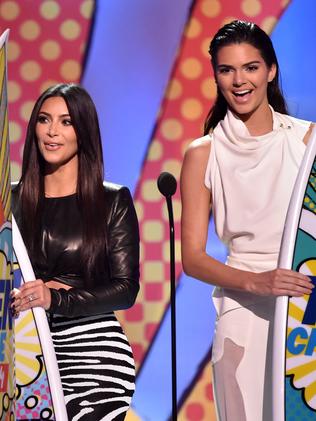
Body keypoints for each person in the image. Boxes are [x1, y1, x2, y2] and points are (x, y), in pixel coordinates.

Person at [180, 20, 314, 421]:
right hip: (242, 311)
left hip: (305, 306)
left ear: (270, 71)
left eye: (251, 68)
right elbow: (193, 258)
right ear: (216, 77)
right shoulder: (203, 153)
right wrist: (258, 282)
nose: (240, 81)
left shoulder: (307, 142)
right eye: (227, 70)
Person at [11, 83, 140, 421]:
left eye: (66, 122)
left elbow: (126, 290)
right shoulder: (9, 201)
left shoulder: (112, 201)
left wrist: (56, 299)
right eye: (44, 119)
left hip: (91, 354)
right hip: (24, 349)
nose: (53, 132)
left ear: (84, 131)